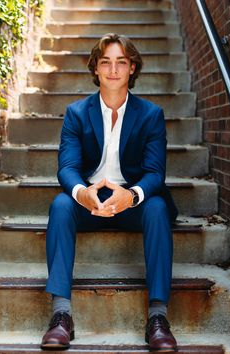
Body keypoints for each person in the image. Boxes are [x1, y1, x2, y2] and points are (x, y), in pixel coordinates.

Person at [41, 33, 178, 352]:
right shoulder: (76, 113)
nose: (113, 69)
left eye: (121, 62)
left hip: (131, 203)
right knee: (61, 205)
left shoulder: (150, 115)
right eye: (106, 62)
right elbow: (67, 167)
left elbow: (155, 173)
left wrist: (131, 196)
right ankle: (61, 316)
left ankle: (158, 319)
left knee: (157, 208)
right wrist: (81, 192)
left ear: (132, 68)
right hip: (89, 201)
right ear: (96, 69)